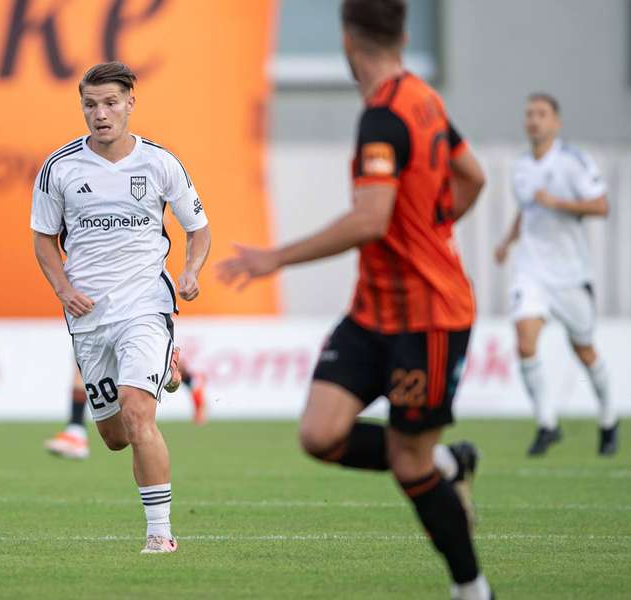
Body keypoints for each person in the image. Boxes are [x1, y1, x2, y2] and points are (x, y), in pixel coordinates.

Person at [216, 1, 492, 598]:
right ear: (403, 32)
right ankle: (451, 466)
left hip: (429, 317)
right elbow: (473, 176)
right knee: (321, 434)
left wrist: (275, 257)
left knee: (408, 464)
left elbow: (371, 219)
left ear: (347, 40)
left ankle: (473, 589)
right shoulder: (424, 96)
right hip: (373, 312)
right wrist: (436, 226)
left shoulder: (386, 115)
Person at [31, 61, 211, 554]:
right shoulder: (60, 167)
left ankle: (160, 535)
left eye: (110, 103)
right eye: (90, 104)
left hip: (145, 306)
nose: (100, 113)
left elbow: (198, 228)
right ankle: (167, 373)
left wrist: (191, 272)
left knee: (138, 415)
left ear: (131, 102)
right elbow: (44, 240)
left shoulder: (160, 163)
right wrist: (64, 290)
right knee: (113, 435)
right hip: (88, 317)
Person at [494, 93, 617, 456]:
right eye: (529, 113)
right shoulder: (520, 167)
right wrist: (506, 242)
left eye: (541, 114)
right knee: (525, 341)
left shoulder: (573, 162)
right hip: (531, 271)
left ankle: (608, 420)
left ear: (556, 122)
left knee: (584, 350)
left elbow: (601, 205)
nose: (534, 120)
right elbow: (526, 211)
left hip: (571, 274)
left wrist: (558, 203)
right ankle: (547, 424)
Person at [45, 362, 207, 460]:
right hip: (97, 316)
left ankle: (190, 380)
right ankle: (76, 431)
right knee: (82, 365)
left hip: (128, 312)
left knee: (149, 359)